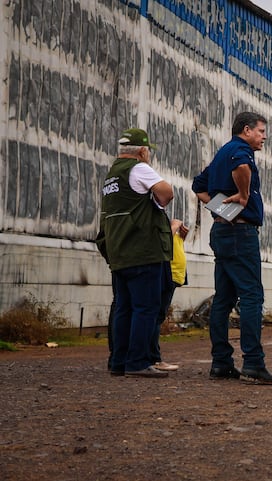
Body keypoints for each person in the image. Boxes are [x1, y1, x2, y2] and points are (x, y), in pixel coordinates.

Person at [191, 112, 272, 384]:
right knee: (252, 295)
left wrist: (222, 210)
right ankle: (254, 364)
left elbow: (199, 186)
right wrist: (242, 198)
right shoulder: (240, 151)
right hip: (240, 233)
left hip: (223, 230)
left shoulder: (223, 152)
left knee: (224, 298)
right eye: (261, 131)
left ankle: (221, 362)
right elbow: (241, 167)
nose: (264, 137)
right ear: (247, 130)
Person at [97, 127, 174, 378]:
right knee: (146, 308)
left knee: (123, 307)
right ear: (142, 151)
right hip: (143, 250)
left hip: (119, 252)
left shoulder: (111, 176)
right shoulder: (139, 168)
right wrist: (158, 200)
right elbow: (166, 192)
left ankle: (119, 361)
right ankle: (139, 361)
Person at [150, 219, 189, 372]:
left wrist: (181, 235)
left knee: (158, 316)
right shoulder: (158, 224)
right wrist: (174, 226)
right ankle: (153, 357)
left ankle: (153, 356)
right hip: (166, 274)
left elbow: (172, 243)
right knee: (156, 315)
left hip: (173, 276)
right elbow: (163, 241)